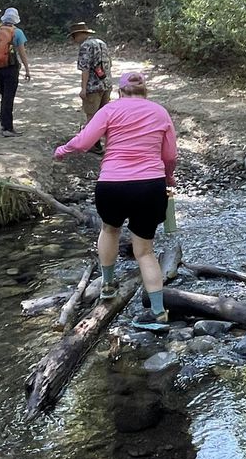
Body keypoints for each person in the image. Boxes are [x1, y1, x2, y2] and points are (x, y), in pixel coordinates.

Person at [54, 70, 178, 330]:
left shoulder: (110, 109)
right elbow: (170, 156)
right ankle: (158, 314)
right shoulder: (160, 112)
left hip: (112, 185)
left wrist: (63, 150)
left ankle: (108, 286)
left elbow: (85, 141)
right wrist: (168, 178)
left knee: (109, 229)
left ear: (120, 92)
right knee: (145, 251)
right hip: (149, 186)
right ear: (146, 92)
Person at [0, 7, 31, 137]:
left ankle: (4, 125)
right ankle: (8, 128)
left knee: (4, 97)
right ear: (15, 20)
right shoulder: (17, 33)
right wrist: (27, 70)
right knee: (8, 98)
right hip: (11, 68)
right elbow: (22, 53)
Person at [69, 21, 112, 134]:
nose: (74, 40)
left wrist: (83, 89)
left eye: (74, 36)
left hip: (93, 87)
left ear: (79, 34)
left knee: (91, 116)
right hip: (106, 84)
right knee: (103, 115)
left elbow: (85, 69)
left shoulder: (85, 46)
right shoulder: (101, 43)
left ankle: (93, 143)